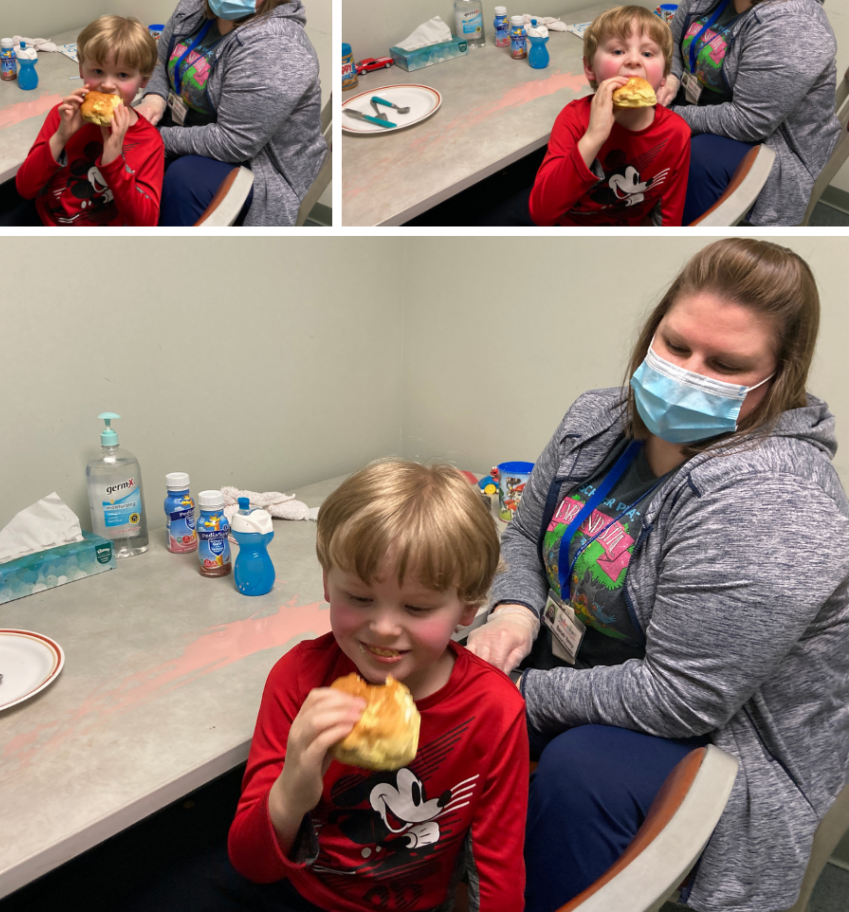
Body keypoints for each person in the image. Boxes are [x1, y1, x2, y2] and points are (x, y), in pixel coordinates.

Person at [467, 238, 849, 912]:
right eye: (676, 346)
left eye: (727, 364)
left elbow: (683, 699)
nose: (688, 373)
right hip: (585, 671)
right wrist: (515, 611)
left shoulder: (776, 501)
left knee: (581, 771)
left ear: (778, 378)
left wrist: (518, 693)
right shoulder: (598, 419)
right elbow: (526, 531)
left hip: (721, 734)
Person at [134, 462, 527, 911]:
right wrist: (293, 790)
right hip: (300, 891)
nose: (382, 628)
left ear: (467, 607)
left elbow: (498, 872)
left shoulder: (495, 710)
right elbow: (252, 863)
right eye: (359, 598)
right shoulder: (300, 679)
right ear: (326, 583)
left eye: (417, 608)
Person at [659, 0, 840, 226]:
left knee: (697, 159)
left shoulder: (795, 27)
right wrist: (671, 79)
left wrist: (669, 117)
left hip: (768, 143)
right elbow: (671, 40)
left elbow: (749, 122)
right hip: (701, 107)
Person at [133, 0, 328, 227]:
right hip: (189, 130)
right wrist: (154, 100)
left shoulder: (277, 47)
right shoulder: (191, 8)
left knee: (180, 178)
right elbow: (159, 60)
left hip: (255, 161)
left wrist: (151, 137)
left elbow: (234, 143)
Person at [527, 6, 691, 226]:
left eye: (647, 53)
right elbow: (541, 214)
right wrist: (593, 137)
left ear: (664, 75)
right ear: (589, 67)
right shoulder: (573, 119)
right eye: (617, 51)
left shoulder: (677, 133)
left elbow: (669, 213)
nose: (634, 61)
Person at [12, 15, 164, 227]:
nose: (108, 85)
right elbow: (25, 189)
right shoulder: (62, 115)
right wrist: (61, 136)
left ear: (144, 80)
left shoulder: (149, 141)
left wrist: (114, 162)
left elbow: (146, 224)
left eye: (122, 75)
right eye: (98, 71)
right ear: (81, 68)